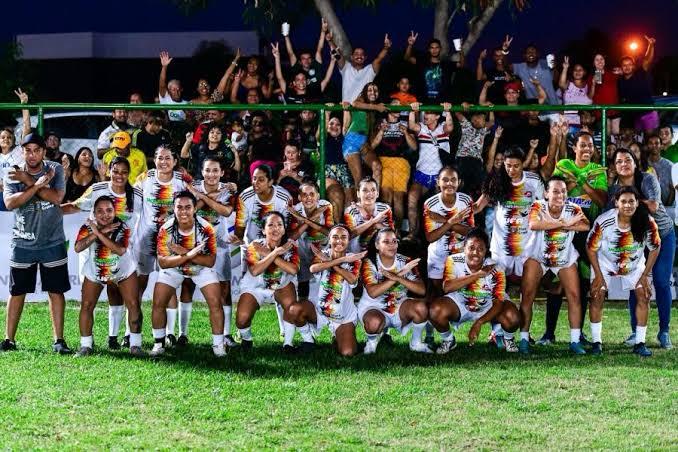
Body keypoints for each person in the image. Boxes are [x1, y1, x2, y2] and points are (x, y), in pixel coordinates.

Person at [62, 156, 144, 348]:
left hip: (122, 255)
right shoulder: (98, 189)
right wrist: (47, 211)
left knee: (131, 301)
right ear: (109, 171)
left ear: (129, 174)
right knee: (87, 303)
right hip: (95, 255)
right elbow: (74, 206)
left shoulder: (137, 196)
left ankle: (133, 342)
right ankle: (87, 345)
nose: (119, 176)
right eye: (115, 171)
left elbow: (153, 214)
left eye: (124, 172)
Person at [0, 134, 71, 353]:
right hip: (23, 241)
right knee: (17, 291)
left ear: (43, 151)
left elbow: (57, 198)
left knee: (55, 291)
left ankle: (59, 340)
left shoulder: (55, 169)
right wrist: (36, 185)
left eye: (37, 150)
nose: (32, 155)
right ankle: (9, 340)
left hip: (53, 240)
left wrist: (28, 182)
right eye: (28, 150)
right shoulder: (13, 172)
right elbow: (10, 203)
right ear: (22, 151)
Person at [541, 132, 607, 345]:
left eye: (590, 146)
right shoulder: (564, 165)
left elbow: (601, 200)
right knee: (556, 283)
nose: (587, 149)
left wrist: (582, 183)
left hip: (587, 232)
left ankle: (579, 334)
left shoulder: (598, 170)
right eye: (583, 145)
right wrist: (573, 185)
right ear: (574, 148)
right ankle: (549, 334)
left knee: (583, 284)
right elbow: (557, 194)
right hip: (563, 230)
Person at [607, 149, 675, 350]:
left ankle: (664, 332)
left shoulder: (647, 179)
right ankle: (636, 332)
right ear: (615, 167)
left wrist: (630, 200)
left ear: (635, 163)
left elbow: (653, 206)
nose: (624, 164)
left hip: (662, 234)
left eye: (628, 160)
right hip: (636, 240)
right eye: (619, 161)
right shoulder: (614, 188)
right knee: (634, 283)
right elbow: (610, 213)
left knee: (661, 282)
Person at [150, 191, 226, 357]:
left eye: (187, 207)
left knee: (215, 302)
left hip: (200, 269)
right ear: (174, 209)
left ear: (194, 209)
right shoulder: (166, 229)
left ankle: (218, 346)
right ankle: (158, 343)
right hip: (175, 268)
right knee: (158, 301)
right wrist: (189, 255)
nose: (183, 211)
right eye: (179, 207)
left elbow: (210, 262)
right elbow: (163, 263)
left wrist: (184, 252)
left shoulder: (206, 228)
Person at [520, 176, 590, 355]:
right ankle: (524, 339)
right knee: (527, 295)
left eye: (564, 191)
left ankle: (575, 341)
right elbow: (534, 224)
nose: (560, 195)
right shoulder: (538, 206)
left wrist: (566, 227)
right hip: (538, 256)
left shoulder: (573, 208)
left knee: (574, 296)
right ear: (546, 193)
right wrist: (564, 223)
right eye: (556, 191)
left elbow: (585, 225)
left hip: (564, 257)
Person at [587, 186, 660, 356]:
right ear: (616, 203)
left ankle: (640, 343)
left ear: (637, 203)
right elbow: (590, 248)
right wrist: (598, 275)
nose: (628, 205)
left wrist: (645, 275)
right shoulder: (604, 221)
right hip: (605, 263)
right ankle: (596, 343)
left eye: (631, 201)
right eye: (624, 201)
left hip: (633, 264)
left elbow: (655, 248)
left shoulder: (647, 222)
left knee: (644, 295)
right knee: (597, 296)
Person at [429, 228, 521, 354]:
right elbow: (447, 287)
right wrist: (477, 275)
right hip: (461, 303)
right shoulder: (453, 260)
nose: (475, 253)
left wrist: (479, 323)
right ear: (464, 248)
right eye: (471, 248)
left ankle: (508, 339)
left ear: (486, 251)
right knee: (435, 310)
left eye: (480, 249)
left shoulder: (496, 267)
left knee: (513, 316)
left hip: (488, 305)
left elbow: (498, 302)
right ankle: (449, 340)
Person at [73, 196, 143, 356]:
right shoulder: (87, 227)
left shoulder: (123, 226)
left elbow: (120, 250)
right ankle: (86, 346)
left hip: (123, 270)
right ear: (94, 213)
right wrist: (96, 233)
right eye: (100, 211)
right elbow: (78, 248)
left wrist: (98, 232)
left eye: (109, 210)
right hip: (96, 270)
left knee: (133, 304)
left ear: (114, 211)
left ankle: (135, 345)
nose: (105, 215)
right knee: (87, 305)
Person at [135, 147, 192, 345]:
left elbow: (199, 195)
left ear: (175, 161)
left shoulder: (182, 180)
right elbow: (130, 197)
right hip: (145, 238)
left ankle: (170, 333)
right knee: (139, 285)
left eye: (168, 158)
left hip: (170, 241)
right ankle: (130, 332)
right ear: (155, 160)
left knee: (168, 284)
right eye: (160, 158)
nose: (164, 162)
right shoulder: (145, 177)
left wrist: (227, 186)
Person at [181, 157, 237, 348]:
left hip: (219, 245)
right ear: (202, 172)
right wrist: (208, 195)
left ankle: (227, 335)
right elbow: (190, 211)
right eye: (207, 170)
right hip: (193, 243)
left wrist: (202, 196)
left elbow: (226, 211)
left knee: (224, 289)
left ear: (222, 173)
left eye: (215, 170)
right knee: (188, 285)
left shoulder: (228, 189)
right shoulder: (192, 187)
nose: (211, 174)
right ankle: (182, 334)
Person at [284, 224, 364, 355]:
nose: (339, 240)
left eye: (343, 237)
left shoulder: (354, 259)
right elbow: (313, 268)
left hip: (343, 316)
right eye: (335, 237)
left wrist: (333, 261)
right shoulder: (323, 254)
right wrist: (341, 259)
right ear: (329, 239)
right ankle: (308, 341)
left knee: (348, 352)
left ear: (348, 240)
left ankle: (338, 336)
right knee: (294, 310)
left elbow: (352, 280)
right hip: (319, 310)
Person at [358, 227, 431, 354]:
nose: (392, 245)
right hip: (374, 306)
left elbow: (421, 290)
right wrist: (399, 275)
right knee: (374, 322)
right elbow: (373, 293)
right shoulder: (369, 262)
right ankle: (371, 343)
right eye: (386, 242)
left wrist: (398, 278)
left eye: (394, 241)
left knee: (421, 308)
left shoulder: (405, 261)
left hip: (399, 306)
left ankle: (416, 343)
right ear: (377, 245)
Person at [235, 211, 300, 351]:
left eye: (279, 225)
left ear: (284, 229)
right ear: (264, 230)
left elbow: (293, 270)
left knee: (291, 306)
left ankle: (288, 344)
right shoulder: (255, 245)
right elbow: (255, 271)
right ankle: (246, 338)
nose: (275, 228)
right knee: (241, 319)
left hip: (281, 285)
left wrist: (269, 253)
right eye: (271, 225)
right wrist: (276, 253)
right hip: (255, 285)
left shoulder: (290, 246)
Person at [405, 102, 454, 242]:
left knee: (441, 204)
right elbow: (412, 125)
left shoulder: (443, 128)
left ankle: (444, 235)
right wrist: (413, 110)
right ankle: (412, 234)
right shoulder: (422, 128)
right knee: (412, 198)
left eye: (429, 113)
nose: (426, 115)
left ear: (437, 116)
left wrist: (448, 111)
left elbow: (450, 126)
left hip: (440, 176)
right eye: (425, 112)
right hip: (422, 174)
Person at [423, 166, 474, 293]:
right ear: (438, 182)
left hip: (460, 255)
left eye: (453, 180)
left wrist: (444, 220)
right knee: (439, 293)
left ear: (459, 182)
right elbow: (430, 237)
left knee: (459, 293)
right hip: (438, 256)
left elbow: (470, 233)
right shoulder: (430, 204)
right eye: (445, 180)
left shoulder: (466, 200)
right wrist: (452, 221)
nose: (449, 183)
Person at [370, 101, 417, 230]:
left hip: (401, 162)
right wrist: (381, 131)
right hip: (384, 161)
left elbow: (414, 147)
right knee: (386, 196)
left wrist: (406, 133)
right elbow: (372, 146)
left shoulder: (406, 123)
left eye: (399, 105)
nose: (398, 107)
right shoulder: (380, 123)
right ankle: (386, 229)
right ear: (388, 108)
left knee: (398, 198)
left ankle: (397, 231)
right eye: (395, 105)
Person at [288, 181, 333, 302]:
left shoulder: (326, 205)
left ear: (318, 196)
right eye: (304, 195)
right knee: (300, 249)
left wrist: (303, 220)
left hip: (322, 245)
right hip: (304, 247)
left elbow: (330, 233)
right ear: (299, 197)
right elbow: (292, 237)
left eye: (312, 194)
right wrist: (311, 218)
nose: (308, 198)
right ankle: (303, 301)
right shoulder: (296, 209)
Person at [342, 82, 387, 185]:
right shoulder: (362, 100)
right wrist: (376, 107)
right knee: (359, 179)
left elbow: (373, 137)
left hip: (364, 142)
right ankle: (360, 196)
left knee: (377, 166)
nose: (373, 92)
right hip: (351, 141)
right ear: (365, 92)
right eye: (370, 90)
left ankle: (375, 194)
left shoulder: (376, 110)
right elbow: (355, 104)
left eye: (375, 90)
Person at [330, 33, 391, 102]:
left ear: (365, 57)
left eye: (362, 54)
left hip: (365, 107)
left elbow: (379, 59)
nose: (359, 56)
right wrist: (330, 41)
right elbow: (337, 55)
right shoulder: (346, 68)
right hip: (347, 108)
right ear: (351, 57)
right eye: (356, 54)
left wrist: (386, 48)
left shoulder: (370, 70)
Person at [271, 41, 335, 104]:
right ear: (294, 83)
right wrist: (277, 58)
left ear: (307, 81)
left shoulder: (314, 93)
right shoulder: (289, 92)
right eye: (298, 79)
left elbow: (326, 79)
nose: (301, 81)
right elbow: (279, 78)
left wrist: (333, 61)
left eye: (303, 79)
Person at [617, 36, 658, 134]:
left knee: (651, 138)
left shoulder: (640, 73)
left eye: (629, 64)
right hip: (634, 116)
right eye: (624, 65)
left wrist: (651, 45)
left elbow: (647, 60)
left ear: (633, 66)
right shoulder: (619, 80)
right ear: (621, 67)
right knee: (637, 140)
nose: (627, 67)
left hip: (647, 112)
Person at [344, 177, 394, 253]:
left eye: (373, 190)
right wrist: (374, 221)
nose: (369, 194)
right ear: (358, 194)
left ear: (377, 194)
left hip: (380, 250)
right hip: (356, 252)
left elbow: (391, 233)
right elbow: (350, 235)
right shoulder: (350, 210)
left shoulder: (385, 208)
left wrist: (376, 225)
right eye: (365, 190)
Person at [454, 108, 494, 199]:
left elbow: (491, 122)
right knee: (461, 183)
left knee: (480, 184)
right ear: (474, 119)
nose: (485, 122)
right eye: (482, 119)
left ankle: (475, 201)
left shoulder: (483, 130)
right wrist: (464, 106)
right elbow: (457, 112)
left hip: (476, 161)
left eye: (484, 119)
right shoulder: (467, 125)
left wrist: (491, 109)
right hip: (463, 158)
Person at [282, 18, 328, 97]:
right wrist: (286, 36)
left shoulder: (316, 66)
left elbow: (319, 49)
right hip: (300, 100)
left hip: (316, 100)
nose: (306, 60)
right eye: (303, 58)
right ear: (300, 61)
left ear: (311, 60)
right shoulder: (296, 69)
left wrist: (323, 31)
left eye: (308, 58)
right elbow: (291, 53)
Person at [322, 113, 353, 223]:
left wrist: (346, 110)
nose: (334, 126)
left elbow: (347, 125)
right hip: (328, 171)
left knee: (350, 199)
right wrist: (327, 113)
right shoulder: (324, 138)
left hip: (344, 171)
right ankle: (337, 226)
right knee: (337, 194)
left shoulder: (344, 137)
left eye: (337, 124)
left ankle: (349, 226)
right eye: (331, 124)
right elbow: (321, 132)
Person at [588, 53, 620, 135]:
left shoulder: (612, 73)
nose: (599, 61)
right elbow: (590, 97)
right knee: (607, 133)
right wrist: (593, 84)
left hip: (614, 109)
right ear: (593, 63)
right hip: (601, 111)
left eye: (601, 59)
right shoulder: (591, 77)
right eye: (597, 60)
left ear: (604, 61)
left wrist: (621, 71)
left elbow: (624, 77)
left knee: (616, 133)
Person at [476, 36, 514, 105]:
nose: (499, 57)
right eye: (496, 55)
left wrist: (505, 50)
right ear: (493, 57)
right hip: (492, 105)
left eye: (501, 55)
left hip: (507, 105)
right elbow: (479, 78)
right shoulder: (490, 71)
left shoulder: (510, 70)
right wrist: (480, 60)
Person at [558, 56, 592, 127]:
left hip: (583, 123)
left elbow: (590, 100)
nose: (577, 72)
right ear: (572, 72)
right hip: (567, 122)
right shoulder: (568, 83)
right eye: (575, 70)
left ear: (584, 72)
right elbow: (561, 84)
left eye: (580, 70)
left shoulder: (587, 85)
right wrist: (565, 68)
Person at [158, 51, 189, 123]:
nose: (176, 92)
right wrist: (164, 67)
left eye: (178, 89)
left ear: (181, 90)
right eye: (173, 90)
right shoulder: (165, 98)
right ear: (169, 91)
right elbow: (162, 85)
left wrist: (188, 115)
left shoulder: (187, 104)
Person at [645, 134, 674, 207]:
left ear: (661, 146)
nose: (654, 145)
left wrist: (667, 207)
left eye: (656, 143)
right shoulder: (643, 164)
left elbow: (672, 190)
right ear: (647, 146)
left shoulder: (670, 165)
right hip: (649, 206)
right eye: (651, 143)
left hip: (667, 206)